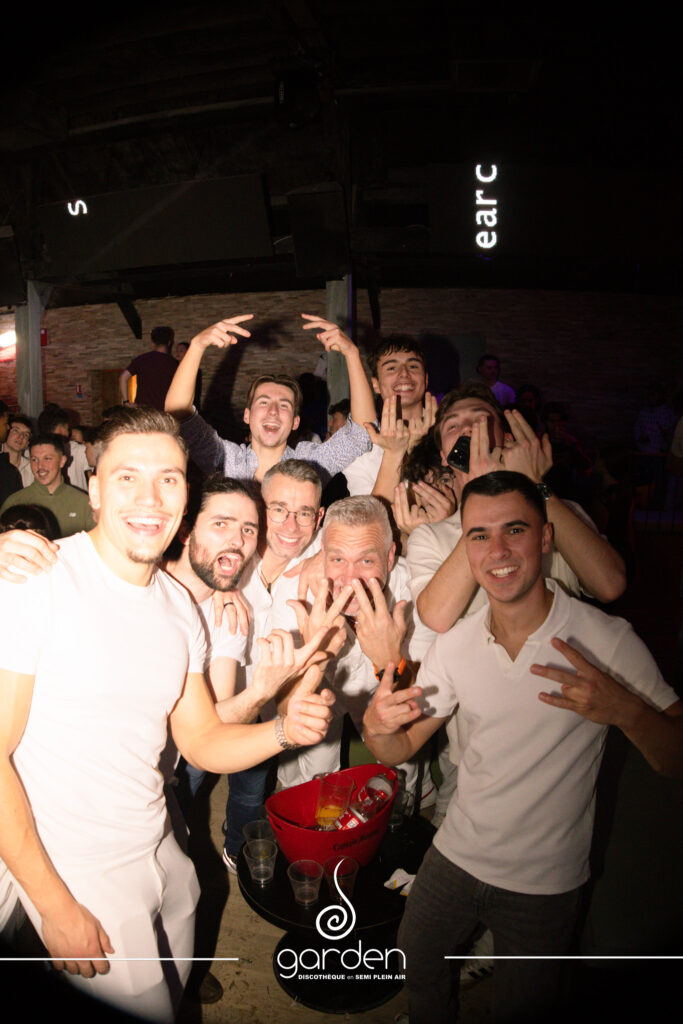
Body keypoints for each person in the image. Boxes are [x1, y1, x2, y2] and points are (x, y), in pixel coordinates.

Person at [0, 406, 341, 1022]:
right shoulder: (37, 580)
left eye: (169, 479)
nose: (150, 498)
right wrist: (53, 903)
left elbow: (201, 738)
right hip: (77, 870)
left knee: (176, 986)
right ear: (95, 490)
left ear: (185, 496)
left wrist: (284, 729)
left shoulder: (178, 606)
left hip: (161, 848)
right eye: (128, 477)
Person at [363, 470, 682, 1024]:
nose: (498, 551)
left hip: (545, 881)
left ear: (546, 537)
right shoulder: (456, 646)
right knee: (416, 956)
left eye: (515, 529)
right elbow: (399, 748)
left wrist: (625, 711)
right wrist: (376, 727)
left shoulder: (605, 640)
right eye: (479, 536)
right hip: (456, 853)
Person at [279, 495, 429, 796]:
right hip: (322, 686)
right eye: (338, 559)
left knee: (401, 772)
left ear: (390, 557)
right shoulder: (294, 593)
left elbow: (422, 701)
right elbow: (286, 707)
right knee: (313, 772)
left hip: (385, 689)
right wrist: (313, 657)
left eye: (366, 561)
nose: (350, 579)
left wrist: (390, 661)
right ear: (322, 555)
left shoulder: (415, 592)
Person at [220, 458, 328, 871]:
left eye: (304, 513)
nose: (291, 526)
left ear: (319, 517)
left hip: (266, 707)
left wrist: (327, 551)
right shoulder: (226, 551)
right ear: (258, 508)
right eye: (279, 509)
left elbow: (364, 525)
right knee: (186, 780)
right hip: (208, 695)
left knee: (250, 790)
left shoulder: (323, 555)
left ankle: (236, 847)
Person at [165, 314, 376, 484]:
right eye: (263, 402)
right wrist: (197, 346)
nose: (273, 411)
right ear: (247, 415)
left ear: (295, 422)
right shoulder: (226, 460)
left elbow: (362, 432)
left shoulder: (310, 464)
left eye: (284, 405)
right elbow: (178, 415)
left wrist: (352, 354)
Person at [344, 334, 437, 501]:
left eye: (413, 366)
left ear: (426, 379)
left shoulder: (448, 432)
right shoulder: (362, 446)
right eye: (392, 368)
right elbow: (369, 513)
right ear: (376, 384)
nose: (404, 374)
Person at [0, 434, 95, 538]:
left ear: (62, 461)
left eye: (47, 459)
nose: (40, 466)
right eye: (34, 460)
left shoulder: (83, 503)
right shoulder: (16, 502)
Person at [119, 325, 179, 411]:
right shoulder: (173, 363)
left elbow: (122, 378)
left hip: (143, 410)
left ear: (153, 343)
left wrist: (126, 402)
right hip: (165, 411)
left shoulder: (141, 359)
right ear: (169, 342)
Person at [1, 415, 33, 485]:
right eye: (16, 431)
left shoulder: (32, 468)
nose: (21, 437)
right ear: (5, 433)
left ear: (27, 443)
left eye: (26, 435)